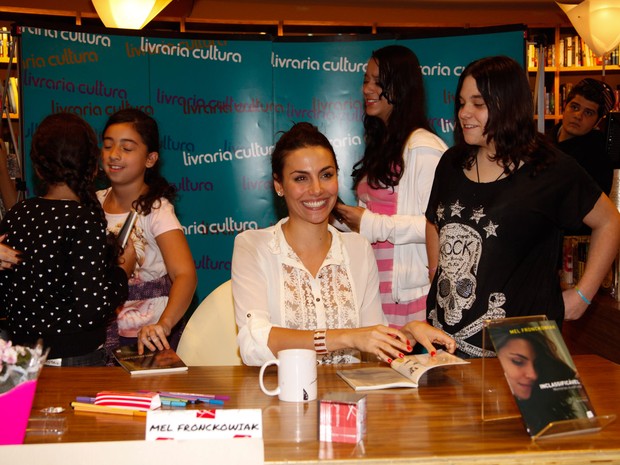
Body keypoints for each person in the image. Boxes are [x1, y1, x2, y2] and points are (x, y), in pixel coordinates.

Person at [425, 56, 620, 358]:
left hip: (524, 356)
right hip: (444, 347)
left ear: (508, 105)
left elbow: (609, 221)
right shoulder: (451, 163)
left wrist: (582, 295)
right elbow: (434, 220)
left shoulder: (550, 169)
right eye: (462, 102)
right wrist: (438, 271)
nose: (464, 113)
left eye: (478, 103)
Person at [232, 122, 455, 367]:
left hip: (348, 401)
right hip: (281, 398)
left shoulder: (357, 248)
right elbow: (253, 344)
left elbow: (371, 344)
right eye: (300, 179)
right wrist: (346, 337)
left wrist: (406, 334)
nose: (316, 190)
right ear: (278, 185)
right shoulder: (252, 246)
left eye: (326, 175)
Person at [0, 113, 132, 365]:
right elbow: (91, 310)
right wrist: (121, 272)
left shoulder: (17, 213)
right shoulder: (82, 219)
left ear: (38, 167)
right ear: (93, 167)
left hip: (19, 356)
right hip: (73, 356)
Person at [334, 45, 447, 329]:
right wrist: (341, 217)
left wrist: (370, 223)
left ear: (400, 86)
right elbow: (372, 221)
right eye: (365, 80)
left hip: (410, 298)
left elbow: (435, 226)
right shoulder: (382, 145)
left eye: (378, 81)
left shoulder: (424, 147)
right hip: (375, 289)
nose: (368, 89)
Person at [98, 109, 197, 356]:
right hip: (99, 336)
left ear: (150, 159)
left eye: (127, 148)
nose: (114, 155)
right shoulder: (91, 205)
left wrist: (163, 325)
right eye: (108, 146)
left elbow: (185, 275)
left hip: (149, 339)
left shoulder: (156, 210)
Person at [493, 327, 594, 435]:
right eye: (518, 361)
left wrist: (589, 400)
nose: (533, 375)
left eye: (536, 365)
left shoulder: (545, 414)